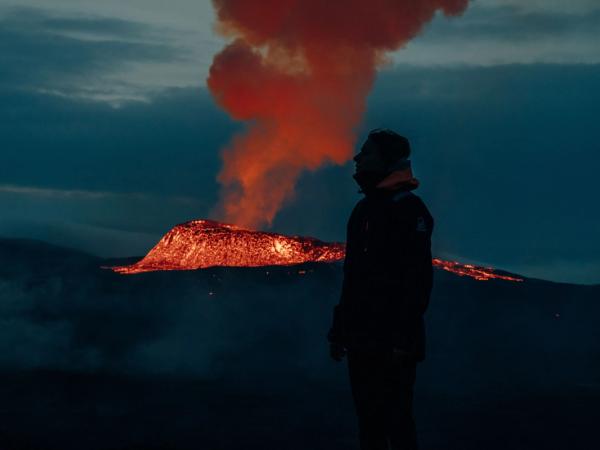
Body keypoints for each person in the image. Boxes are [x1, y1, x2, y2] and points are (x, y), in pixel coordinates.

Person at [328, 129, 434, 450]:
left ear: (388, 162)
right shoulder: (363, 211)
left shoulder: (409, 210)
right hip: (362, 339)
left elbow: (416, 279)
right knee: (370, 425)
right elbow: (354, 276)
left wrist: (404, 337)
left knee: (396, 422)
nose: (357, 159)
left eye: (366, 153)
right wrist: (340, 328)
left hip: (391, 344)